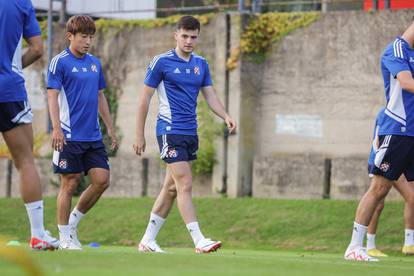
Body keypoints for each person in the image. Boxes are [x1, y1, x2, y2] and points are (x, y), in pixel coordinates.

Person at [134, 15, 236, 253]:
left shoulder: (201, 64)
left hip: (190, 132)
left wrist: (226, 115)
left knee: (171, 189)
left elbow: (209, 95)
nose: (189, 41)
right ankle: (199, 240)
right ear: (176, 35)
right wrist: (139, 135)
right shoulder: (161, 62)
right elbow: (144, 100)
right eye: (185, 36)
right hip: (169, 131)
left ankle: (147, 240)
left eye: (193, 37)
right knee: (185, 183)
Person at [344, 22, 414, 261]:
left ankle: (408, 241)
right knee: (379, 189)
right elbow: (406, 82)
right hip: (397, 131)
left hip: (413, 133)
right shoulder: (396, 49)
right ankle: (355, 246)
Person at [47, 15, 117, 250]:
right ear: (71, 36)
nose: (88, 41)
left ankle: (72, 223)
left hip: (93, 137)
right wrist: (56, 128)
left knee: (102, 180)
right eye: (83, 36)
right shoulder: (60, 62)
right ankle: (64, 237)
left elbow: (100, 96)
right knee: (69, 183)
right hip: (68, 134)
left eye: (90, 37)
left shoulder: (94, 63)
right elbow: (52, 96)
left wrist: (110, 126)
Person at [0, 0, 58, 250]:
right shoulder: (21, 2)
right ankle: (37, 234)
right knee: (25, 161)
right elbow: (37, 48)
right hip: (9, 90)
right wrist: (10, 69)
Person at [365, 108, 414, 257]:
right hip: (382, 160)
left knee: (411, 198)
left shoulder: (408, 112)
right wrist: (375, 163)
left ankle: (409, 244)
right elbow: (378, 139)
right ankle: (369, 245)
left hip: (398, 161)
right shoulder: (386, 113)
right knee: (378, 203)